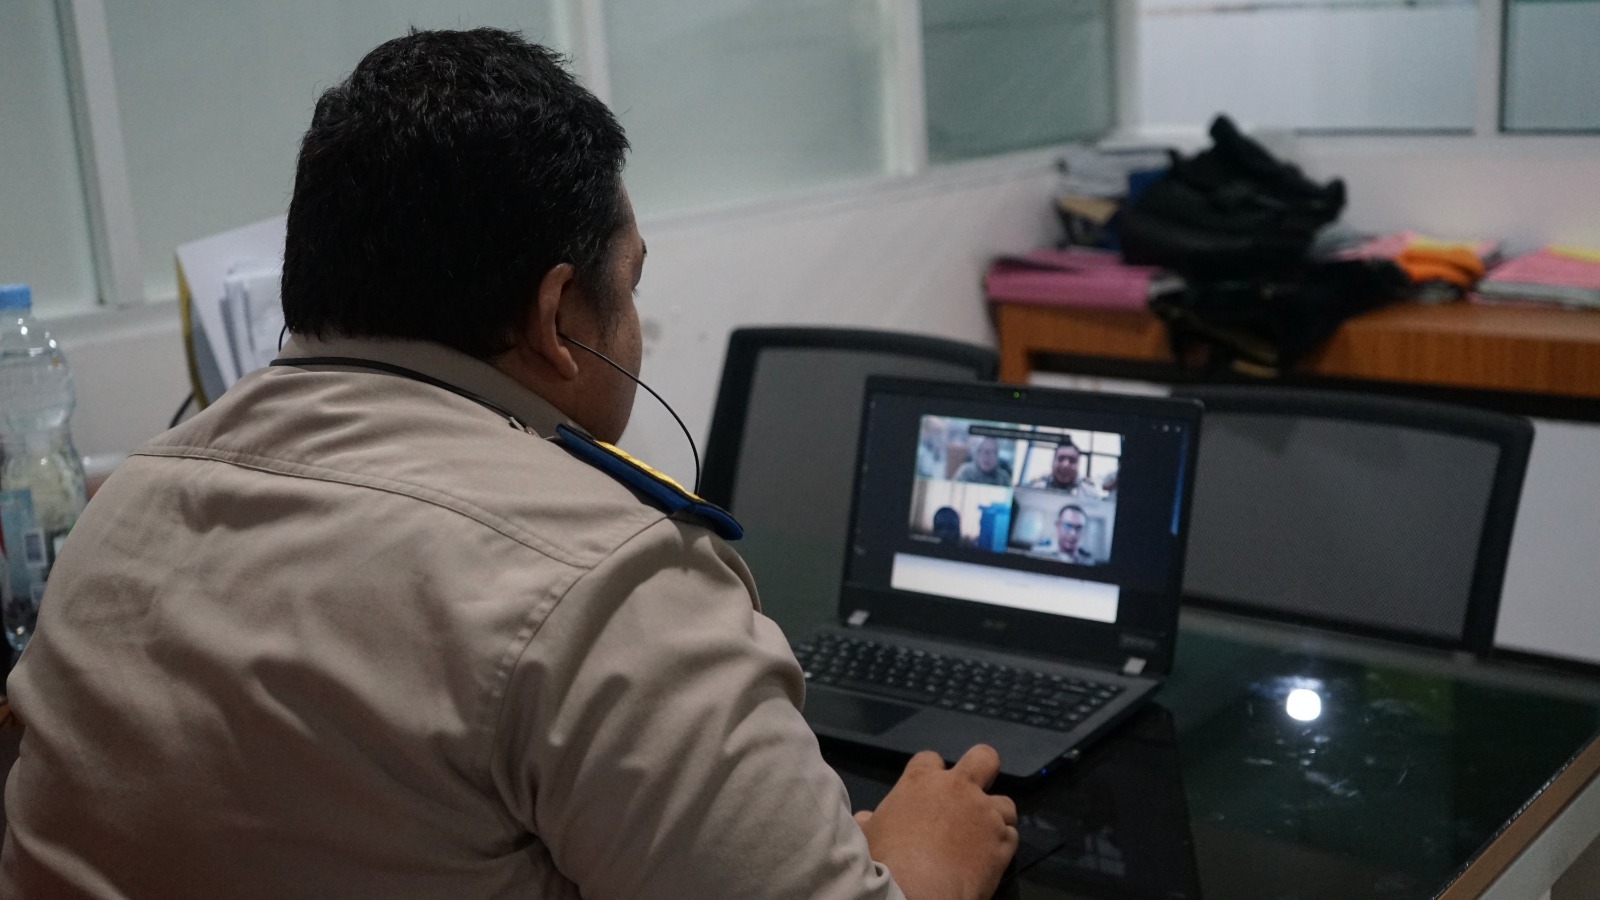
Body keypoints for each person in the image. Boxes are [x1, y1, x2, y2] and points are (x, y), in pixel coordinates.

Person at [0, 29, 1016, 900]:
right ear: (557, 315)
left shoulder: (118, 514)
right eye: (630, 285)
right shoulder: (608, 582)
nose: (635, 321)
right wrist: (925, 859)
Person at [1025, 441, 1103, 498]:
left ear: (1078, 465)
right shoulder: (1034, 488)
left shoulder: (1089, 493)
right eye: (1061, 459)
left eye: (1072, 460)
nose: (1065, 465)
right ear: (1053, 462)